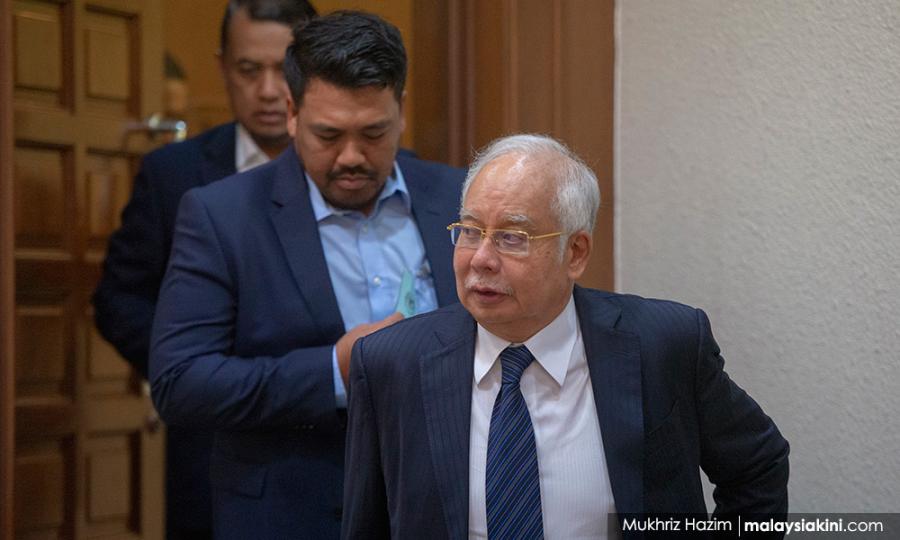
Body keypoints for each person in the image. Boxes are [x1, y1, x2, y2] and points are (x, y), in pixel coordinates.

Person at [341, 134, 791, 539]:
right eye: (471, 231)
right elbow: (366, 525)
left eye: (512, 237)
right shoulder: (390, 365)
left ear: (575, 253)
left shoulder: (662, 344)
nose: (480, 259)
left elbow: (758, 466)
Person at [149, 10, 466, 539]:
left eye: (373, 132)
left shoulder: (458, 197)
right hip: (291, 514)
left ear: (401, 111)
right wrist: (335, 370)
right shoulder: (222, 216)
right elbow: (180, 383)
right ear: (293, 114)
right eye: (328, 135)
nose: (351, 157)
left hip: (442, 509)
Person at [93, 2, 317, 538]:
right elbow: (119, 300)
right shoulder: (173, 174)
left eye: (284, 69)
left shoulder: (353, 169)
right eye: (249, 70)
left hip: (328, 433)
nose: (268, 91)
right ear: (222, 68)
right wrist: (194, 364)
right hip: (213, 443)